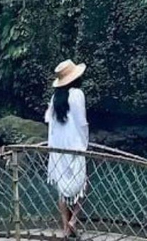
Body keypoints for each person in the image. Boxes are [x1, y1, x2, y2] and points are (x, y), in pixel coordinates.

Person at [44, 59, 89, 239]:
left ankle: (65, 227)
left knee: (62, 189)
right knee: (82, 185)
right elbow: (81, 121)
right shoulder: (77, 94)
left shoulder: (55, 98)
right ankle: (73, 221)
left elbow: (50, 122)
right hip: (74, 146)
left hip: (58, 148)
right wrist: (84, 143)